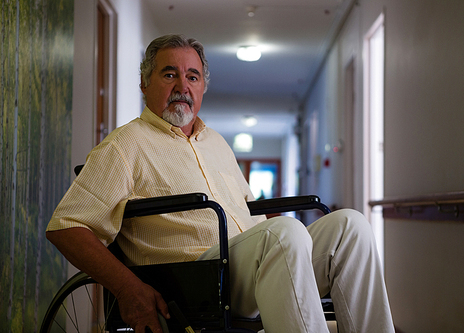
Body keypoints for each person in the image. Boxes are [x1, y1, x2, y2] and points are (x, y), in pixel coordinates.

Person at [46, 34, 394, 333]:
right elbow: (67, 227)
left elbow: (252, 212)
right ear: (145, 83)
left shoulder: (216, 143)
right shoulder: (124, 146)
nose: (183, 86)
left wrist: (285, 232)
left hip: (249, 261)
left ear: (203, 88)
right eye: (170, 74)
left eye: (193, 77)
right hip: (197, 278)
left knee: (351, 225)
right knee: (284, 234)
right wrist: (127, 288)